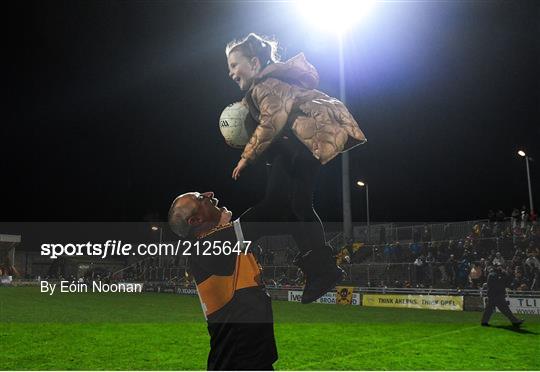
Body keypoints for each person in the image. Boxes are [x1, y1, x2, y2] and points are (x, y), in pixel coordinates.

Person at [225, 33, 367, 304]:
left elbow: (273, 121)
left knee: (277, 202)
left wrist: (247, 155)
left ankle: (233, 238)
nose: (230, 72)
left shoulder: (265, 84)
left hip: (301, 142)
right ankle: (322, 271)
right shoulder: (269, 84)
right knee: (298, 207)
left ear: (254, 63)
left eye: (234, 64)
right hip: (307, 140)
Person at [168, 191, 278, 370]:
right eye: (200, 198)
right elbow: (271, 207)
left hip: (250, 359)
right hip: (238, 362)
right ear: (195, 221)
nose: (209, 194)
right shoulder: (205, 248)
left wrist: (222, 227)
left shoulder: (216, 246)